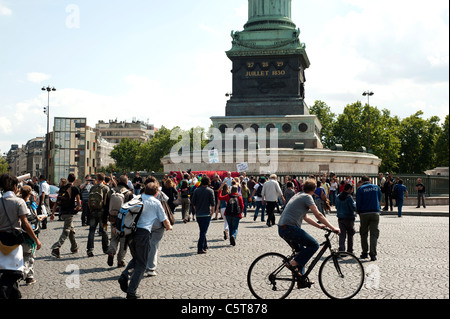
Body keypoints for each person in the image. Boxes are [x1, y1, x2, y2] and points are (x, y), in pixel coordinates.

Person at [118, 182, 172, 299]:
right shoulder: (155, 202)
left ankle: (124, 274)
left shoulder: (138, 197)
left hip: (130, 233)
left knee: (137, 258)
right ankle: (131, 291)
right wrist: (169, 227)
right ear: (156, 192)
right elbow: (165, 220)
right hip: (143, 234)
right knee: (142, 263)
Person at [278, 179, 340, 280]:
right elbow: (318, 215)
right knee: (314, 245)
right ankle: (292, 263)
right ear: (314, 189)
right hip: (290, 228)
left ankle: (300, 279)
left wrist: (319, 226)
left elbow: (306, 217)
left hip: (282, 228)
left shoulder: (298, 195)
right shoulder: (307, 197)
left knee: (301, 252)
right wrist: (333, 228)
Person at [0, 174, 42, 299]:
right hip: (14, 242)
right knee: (14, 272)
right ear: (14, 186)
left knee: (5, 271)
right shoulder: (19, 202)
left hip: (0, 242)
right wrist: (36, 240)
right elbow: (25, 223)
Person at [50, 173, 82, 259]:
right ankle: (56, 247)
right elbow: (78, 200)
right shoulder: (75, 188)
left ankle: (74, 247)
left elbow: (57, 202)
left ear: (68, 179)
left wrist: (52, 213)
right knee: (66, 230)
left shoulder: (62, 188)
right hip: (69, 212)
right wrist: (78, 207)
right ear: (74, 180)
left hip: (62, 212)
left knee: (71, 230)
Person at [105, 175, 134, 268]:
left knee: (114, 238)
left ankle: (111, 252)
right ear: (126, 182)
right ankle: (120, 260)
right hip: (124, 220)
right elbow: (132, 208)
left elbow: (105, 206)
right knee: (123, 241)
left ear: (117, 181)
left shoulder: (111, 192)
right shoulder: (129, 193)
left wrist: (105, 219)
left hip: (113, 218)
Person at [19, 185, 42, 285]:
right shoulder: (32, 204)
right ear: (29, 194)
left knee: (22, 255)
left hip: (20, 233)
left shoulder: (18, 203)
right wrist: (41, 219)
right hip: (30, 233)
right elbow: (36, 216)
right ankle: (22, 274)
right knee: (30, 256)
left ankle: (30, 277)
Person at [356, 176, 382, 261]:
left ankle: (364, 252)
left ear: (362, 181)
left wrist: (359, 212)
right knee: (374, 234)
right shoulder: (376, 187)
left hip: (364, 213)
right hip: (375, 212)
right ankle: (373, 254)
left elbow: (358, 202)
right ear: (369, 180)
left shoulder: (360, 189)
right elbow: (379, 198)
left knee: (364, 233)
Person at [86, 173, 110, 257]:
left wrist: (91, 210)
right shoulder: (106, 188)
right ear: (103, 179)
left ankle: (90, 249)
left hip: (93, 212)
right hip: (102, 212)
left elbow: (89, 200)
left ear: (97, 179)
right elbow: (106, 202)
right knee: (104, 230)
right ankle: (106, 248)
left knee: (91, 230)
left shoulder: (93, 187)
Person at [190, 175, 215, 254]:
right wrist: (212, 213)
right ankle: (200, 248)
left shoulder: (196, 191)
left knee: (202, 230)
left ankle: (205, 245)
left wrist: (196, 210)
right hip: (206, 214)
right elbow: (213, 204)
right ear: (208, 182)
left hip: (199, 214)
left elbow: (193, 203)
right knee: (203, 232)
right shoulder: (210, 191)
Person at [335, 183, 356, 253]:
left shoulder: (338, 196)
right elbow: (353, 208)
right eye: (352, 189)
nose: (352, 190)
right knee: (350, 235)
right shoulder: (349, 197)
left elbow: (336, 207)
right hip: (349, 218)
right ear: (349, 189)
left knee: (342, 236)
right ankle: (350, 250)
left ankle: (341, 250)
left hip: (340, 218)